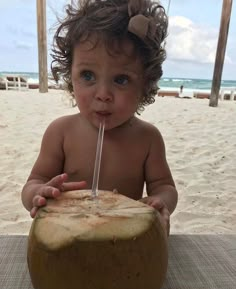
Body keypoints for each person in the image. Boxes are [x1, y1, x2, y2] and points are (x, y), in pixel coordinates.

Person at [21, 0, 178, 236]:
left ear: (145, 84)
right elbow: (33, 183)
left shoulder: (148, 139)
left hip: (125, 236)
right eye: (87, 75)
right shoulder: (61, 132)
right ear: (70, 75)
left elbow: (165, 186)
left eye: (121, 80)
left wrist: (159, 201)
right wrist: (39, 193)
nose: (103, 95)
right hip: (67, 234)